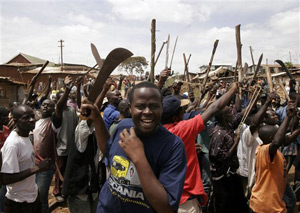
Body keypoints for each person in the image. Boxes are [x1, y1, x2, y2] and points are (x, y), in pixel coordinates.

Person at [81, 81, 187, 212]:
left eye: (154, 106)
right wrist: (97, 118)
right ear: (130, 108)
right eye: (140, 106)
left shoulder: (173, 147)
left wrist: (139, 158)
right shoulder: (123, 126)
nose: (147, 112)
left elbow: (167, 209)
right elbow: (109, 151)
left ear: (162, 108)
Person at [162, 82, 240, 212]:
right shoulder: (182, 129)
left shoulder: (157, 131)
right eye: (182, 111)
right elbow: (214, 108)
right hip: (185, 200)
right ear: (175, 117)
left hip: (165, 197)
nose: (184, 112)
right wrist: (233, 90)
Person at [0, 104, 51, 213]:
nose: (32, 120)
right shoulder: (13, 144)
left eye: (32, 116)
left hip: (32, 196)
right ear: (15, 121)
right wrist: (38, 168)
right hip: (18, 203)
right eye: (26, 118)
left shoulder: (26, 136)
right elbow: (6, 178)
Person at [250, 102, 298, 212]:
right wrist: (288, 116)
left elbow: (284, 138)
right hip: (266, 206)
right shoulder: (265, 151)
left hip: (271, 203)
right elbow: (277, 142)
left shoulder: (270, 150)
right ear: (271, 138)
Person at [33, 99, 61, 213]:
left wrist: (67, 89)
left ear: (53, 109)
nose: (45, 107)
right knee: (33, 197)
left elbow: (60, 108)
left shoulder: (53, 123)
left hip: (45, 167)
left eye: (49, 106)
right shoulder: (35, 121)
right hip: (32, 166)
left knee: (42, 198)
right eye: (44, 105)